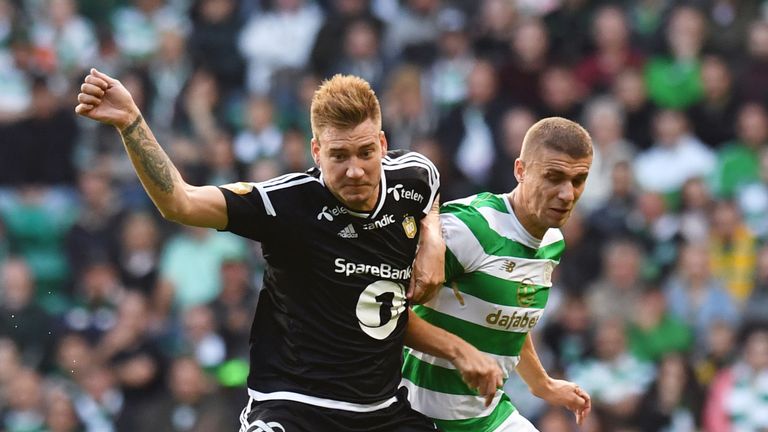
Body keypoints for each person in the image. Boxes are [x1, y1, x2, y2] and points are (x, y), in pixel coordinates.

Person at [75, 69, 502, 431]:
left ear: (383, 145)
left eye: (366, 152)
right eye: (338, 156)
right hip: (293, 406)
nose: (355, 169)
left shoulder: (413, 178)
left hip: (380, 411)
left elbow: (430, 187)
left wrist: (431, 237)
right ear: (316, 152)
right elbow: (180, 202)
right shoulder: (286, 204)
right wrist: (132, 122)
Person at [402, 117, 593, 431]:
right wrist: (459, 351)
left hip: (489, 418)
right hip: (418, 417)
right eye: (553, 176)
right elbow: (385, 310)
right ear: (520, 170)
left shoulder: (552, 241)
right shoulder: (469, 229)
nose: (567, 194)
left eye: (578, 180)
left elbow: (508, 313)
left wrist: (541, 383)